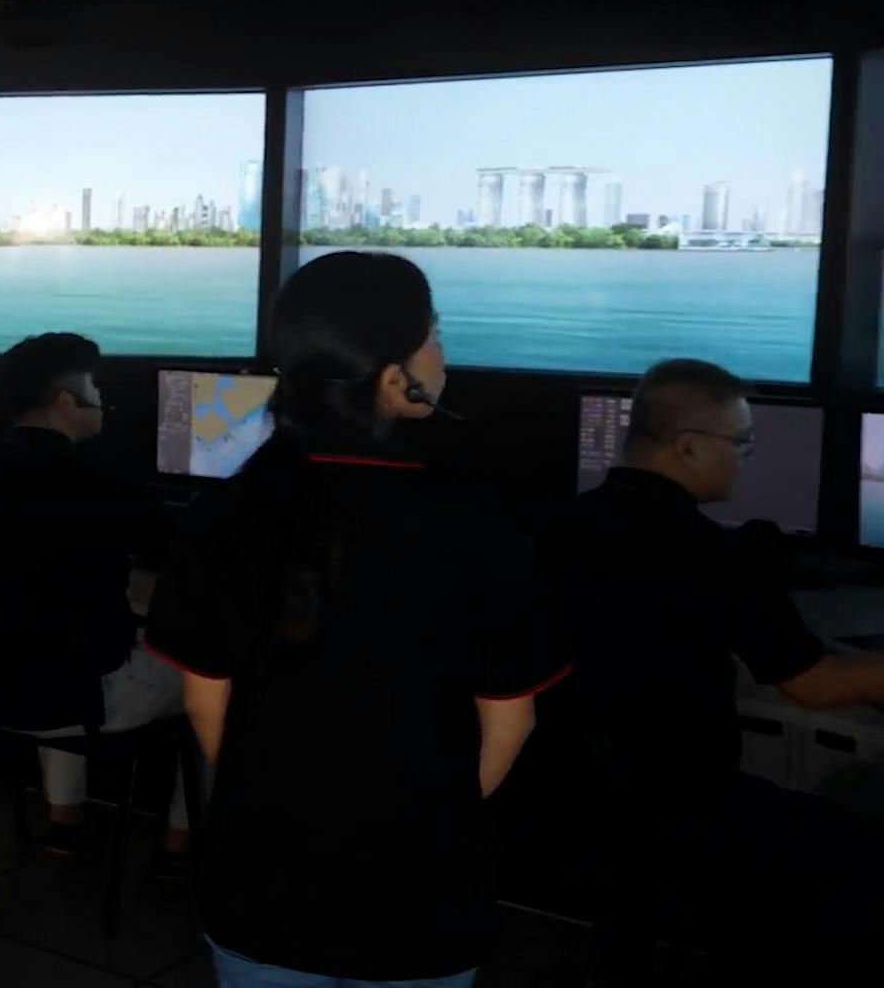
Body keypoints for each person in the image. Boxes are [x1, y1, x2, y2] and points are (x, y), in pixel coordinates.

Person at [145, 252, 569, 988]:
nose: (442, 355)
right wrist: (416, 825)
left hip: (260, 887)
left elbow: (206, 705)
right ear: (394, 377)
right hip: (421, 901)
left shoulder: (227, 513)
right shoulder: (476, 526)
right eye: (434, 334)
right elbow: (510, 722)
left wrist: (280, 809)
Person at [543, 358, 884, 985]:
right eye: (741, 442)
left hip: (567, 794)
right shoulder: (714, 554)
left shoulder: (551, 527)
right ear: (688, 447)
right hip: (681, 807)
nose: (744, 459)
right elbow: (815, 684)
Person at [0, 333, 189, 869]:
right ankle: (180, 843)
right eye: (95, 390)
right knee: (215, 675)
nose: (103, 401)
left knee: (47, 640)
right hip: (84, 693)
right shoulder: (96, 480)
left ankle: (65, 821)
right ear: (64, 400)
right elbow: (174, 546)